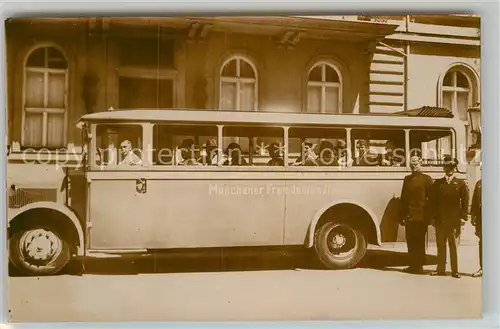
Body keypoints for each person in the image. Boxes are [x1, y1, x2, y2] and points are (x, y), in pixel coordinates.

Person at [430, 156, 469, 279]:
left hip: (454, 220)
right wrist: (433, 218)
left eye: (451, 167)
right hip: (440, 220)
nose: (449, 170)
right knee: (440, 245)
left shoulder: (460, 184)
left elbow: (465, 201)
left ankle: (455, 271)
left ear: (455, 168)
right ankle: (440, 269)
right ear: (444, 168)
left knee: (453, 246)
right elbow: (433, 202)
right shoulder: (437, 184)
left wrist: (463, 217)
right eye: (447, 167)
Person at [399, 155, 433, 274]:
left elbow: (431, 199)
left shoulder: (427, 179)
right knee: (411, 242)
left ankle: (419, 266)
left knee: (419, 242)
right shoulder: (407, 179)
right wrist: (402, 216)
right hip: (409, 216)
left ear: (421, 163)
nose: (413, 166)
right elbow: (404, 199)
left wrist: (430, 217)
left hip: (421, 216)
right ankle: (412, 265)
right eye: (411, 164)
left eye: (416, 164)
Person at [471, 162, 482, 278]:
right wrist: (473, 217)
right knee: (482, 243)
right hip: (482, 219)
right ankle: (483, 267)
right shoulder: (479, 184)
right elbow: (475, 202)